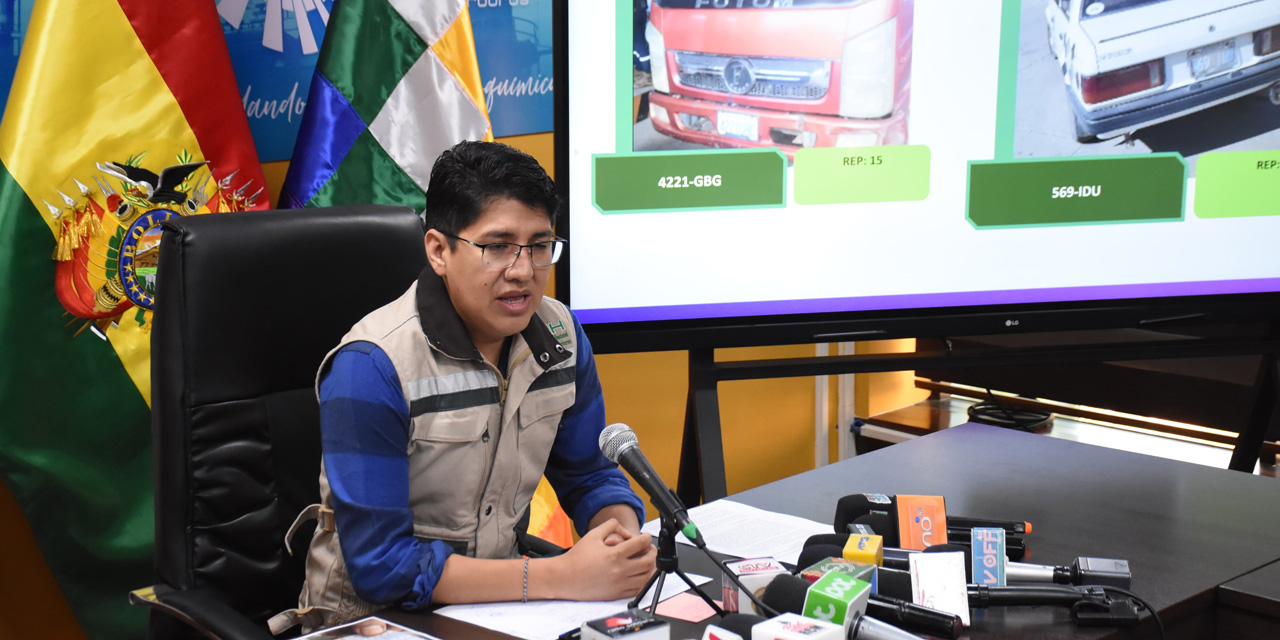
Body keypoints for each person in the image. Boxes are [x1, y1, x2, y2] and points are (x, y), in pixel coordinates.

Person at [282, 141, 656, 631]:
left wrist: (619, 543)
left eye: (540, 245)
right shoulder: (373, 365)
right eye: (497, 246)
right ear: (439, 250)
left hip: (500, 606)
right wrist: (558, 576)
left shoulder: (562, 337)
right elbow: (383, 567)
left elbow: (589, 475)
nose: (522, 271)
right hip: (371, 619)